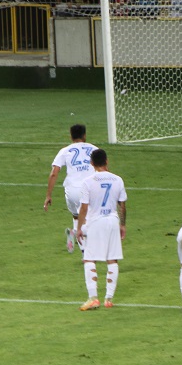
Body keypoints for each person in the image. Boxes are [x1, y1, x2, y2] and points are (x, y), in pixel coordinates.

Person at [76, 149, 126, 311]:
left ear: (91, 163)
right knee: (112, 259)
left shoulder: (87, 182)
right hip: (112, 221)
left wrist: (79, 228)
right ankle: (109, 299)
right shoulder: (118, 180)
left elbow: (84, 208)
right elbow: (122, 206)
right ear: (107, 161)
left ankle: (93, 298)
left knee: (89, 259)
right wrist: (123, 225)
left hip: (96, 222)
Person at [44, 123, 98, 253]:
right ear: (85, 135)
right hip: (90, 189)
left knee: (76, 216)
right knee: (89, 220)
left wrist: (48, 195)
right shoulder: (95, 150)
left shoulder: (65, 151)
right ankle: (81, 241)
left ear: (71, 136)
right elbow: (103, 169)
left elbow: (54, 173)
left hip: (72, 191)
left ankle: (79, 243)